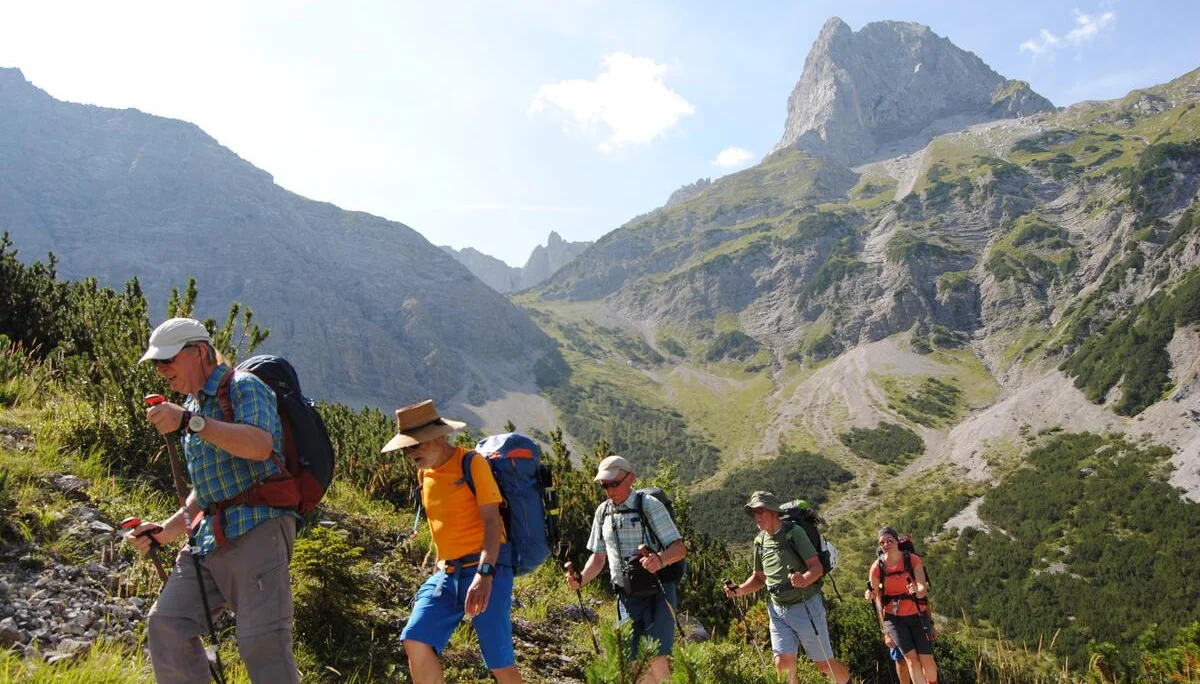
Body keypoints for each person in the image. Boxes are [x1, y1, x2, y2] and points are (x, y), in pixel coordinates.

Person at [126, 317, 300, 683]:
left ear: (200, 352)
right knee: (167, 625)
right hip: (208, 538)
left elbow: (260, 445)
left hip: (257, 528)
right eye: (157, 363)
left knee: (261, 645)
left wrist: (191, 422)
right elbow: (207, 491)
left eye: (168, 359)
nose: (162, 369)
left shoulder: (243, 386)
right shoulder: (192, 405)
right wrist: (165, 532)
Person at [383, 399, 523, 684]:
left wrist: (484, 575)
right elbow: (443, 528)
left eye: (416, 445)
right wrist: (439, 566)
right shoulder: (424, 474)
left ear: (438, 436)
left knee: (498, 662)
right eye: (406, 448)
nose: (411, 453)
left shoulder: (471, 463)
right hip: (447, 574)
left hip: (488, 570)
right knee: (415, 638)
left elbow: (492, 522)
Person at [565, 455, 687, 684]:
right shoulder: (603, 512)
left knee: (656, 657)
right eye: (605, 485)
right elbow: (598, 558)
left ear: (630, 478)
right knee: (633, 663)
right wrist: (581, 579)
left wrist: (659, 559)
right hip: (627, 597)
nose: (610, 490)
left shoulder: (649, 506)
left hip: (658, 592)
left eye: (614, 483)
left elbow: (679, 549)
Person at [725, 491, 851, 684]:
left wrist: (804, 579)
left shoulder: (794, 533)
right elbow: (759, 577)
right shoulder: (760, 541)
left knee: (824, 665)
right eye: (753, 512)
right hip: (777, 610)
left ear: (774, 511)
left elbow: (816, 568)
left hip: (806, 606)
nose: (756, 516)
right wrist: (740, 590)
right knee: (782, 666)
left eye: (760, 511)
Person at [870, 527, 938, 684]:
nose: (886, 545)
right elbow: (877, 599)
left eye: (889, 541)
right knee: (910, 661)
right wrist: (886, 633)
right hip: (894, 619)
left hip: (917, 616)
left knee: (926, 659)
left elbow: (923, 591)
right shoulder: (877, 567)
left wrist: (917, 591)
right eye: (882, 543)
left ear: (896, 541)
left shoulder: (912, 560)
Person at [864, 586, 912, 684]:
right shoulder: (881, 579)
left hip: (914, 618)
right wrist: (886, 633)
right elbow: (880, 606)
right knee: (901, 661)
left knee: (920, 660)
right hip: (893, 623)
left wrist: (929, 624)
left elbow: (923, 598)